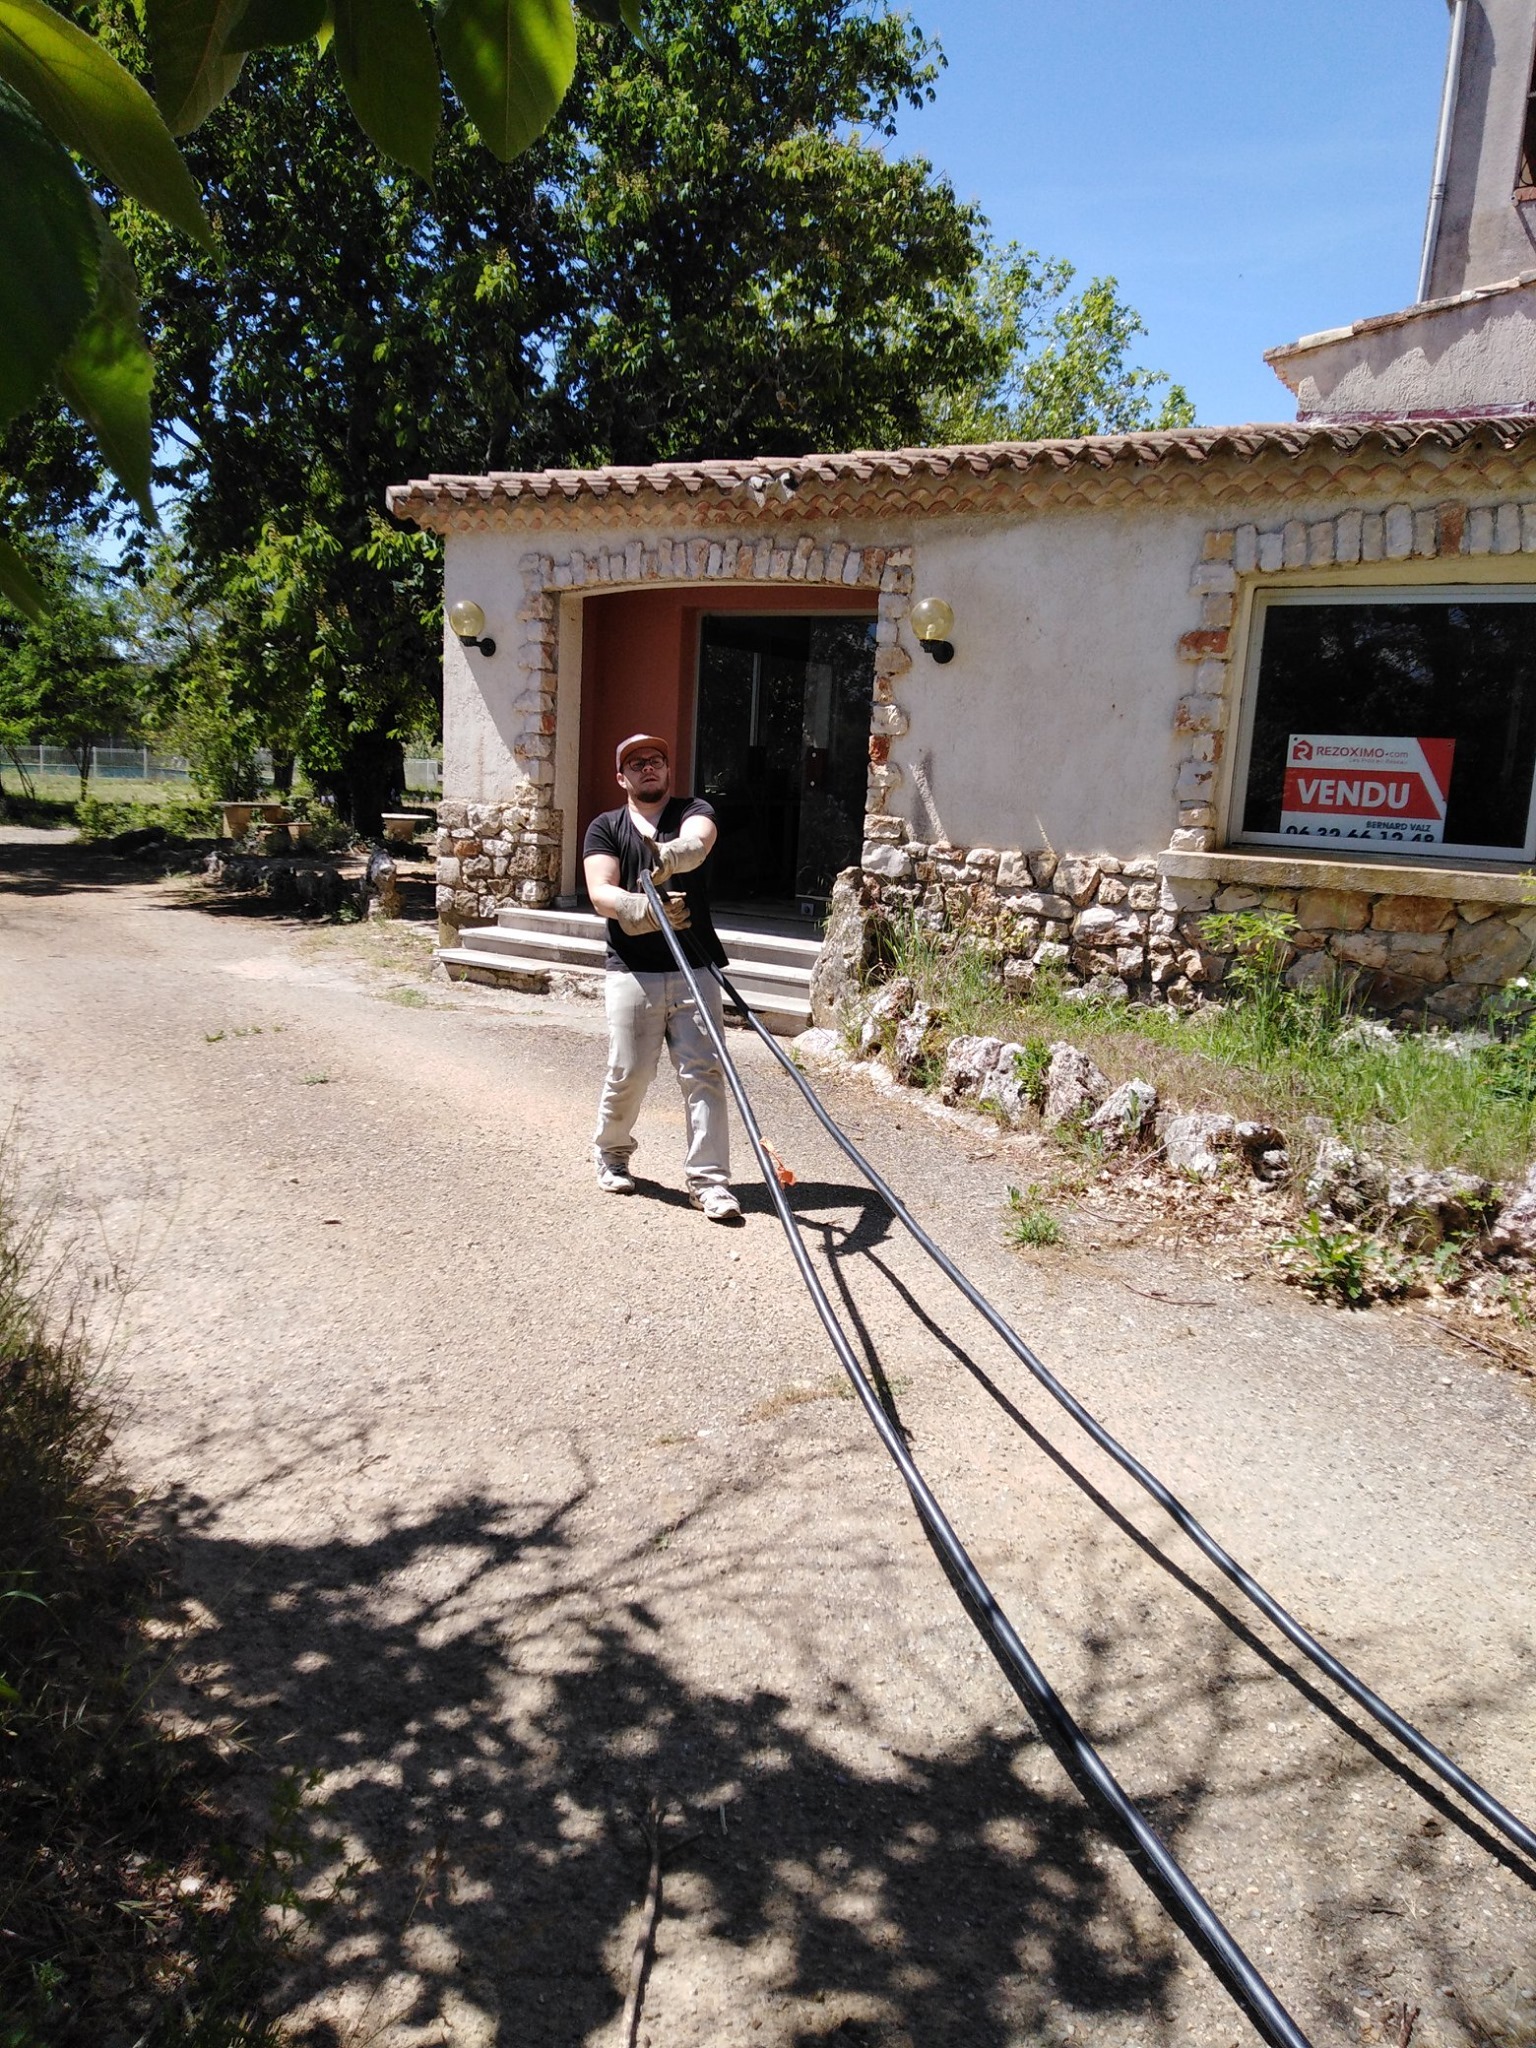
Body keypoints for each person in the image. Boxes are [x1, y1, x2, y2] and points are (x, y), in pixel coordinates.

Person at [581, 733, 742, 1222]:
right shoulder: (605, 827)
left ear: (668, 770)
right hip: (633, 968)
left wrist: (666, 857)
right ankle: (612, 1151)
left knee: (705, 1075)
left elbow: (697, 844)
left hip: (695, 967)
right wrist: (641, 909)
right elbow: (598, 890)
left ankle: (709, 1182)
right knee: (631, 1071)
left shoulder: (694, 809)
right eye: (635, 762)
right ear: (621, 777)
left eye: (655, 760)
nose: (647, 767)